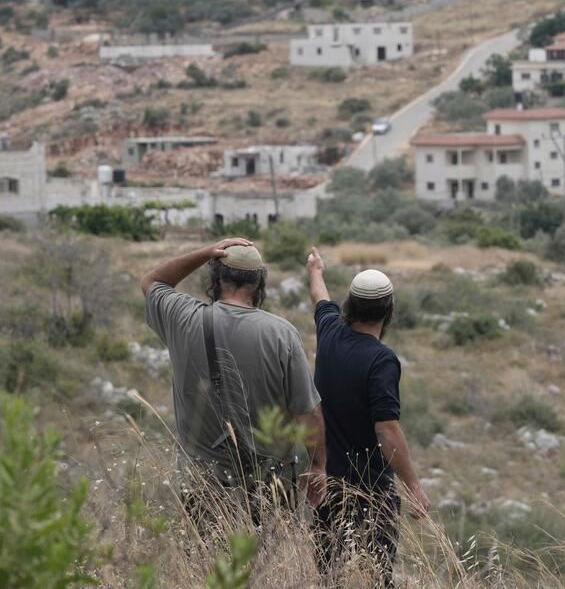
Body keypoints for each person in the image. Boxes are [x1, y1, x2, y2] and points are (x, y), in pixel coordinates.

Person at [140, 238, 326, 519]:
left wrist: (206, 252)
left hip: (203, 484)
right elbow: (307, 412)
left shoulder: (183, 318)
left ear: (216, 278)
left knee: (205, 548)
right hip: (268, 485)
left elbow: (153, 281)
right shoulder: (282, 334)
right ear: (259, 283)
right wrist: (317, 466)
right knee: (271, 547)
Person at [305, 246, 429, 588]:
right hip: (369, 492)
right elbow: (386, 430)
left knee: (329, 577)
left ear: (349, 304)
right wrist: (413, 485)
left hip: (327, 486)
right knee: (376, 578)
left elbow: (319, 297)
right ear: (389, 310)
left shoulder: (329, 332)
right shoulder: (381, 360)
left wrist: (315, 269)